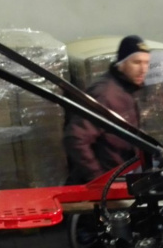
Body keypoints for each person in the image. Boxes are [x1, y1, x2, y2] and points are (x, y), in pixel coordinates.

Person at [63, 35, 151, 184]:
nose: (143, 69)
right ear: (122, 63)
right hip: (107, 181)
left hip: (123, 174)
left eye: (147, 63)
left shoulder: (127, 89)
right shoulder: (105, 94)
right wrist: (99, 179)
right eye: (136, 62)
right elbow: (76, 139)